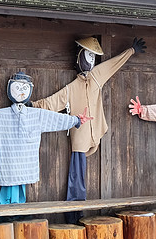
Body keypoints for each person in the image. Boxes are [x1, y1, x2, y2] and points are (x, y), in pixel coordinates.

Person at [33, 35, 145, 202]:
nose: (91, 61)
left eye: (93, 57)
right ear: (79, 57)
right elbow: (51, 103)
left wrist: (131, 51)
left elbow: (111, 65)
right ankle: (75, 210)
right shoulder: (70, 89)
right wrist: (30, 105)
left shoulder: (96, 77)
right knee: (77, 174)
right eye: (88, 56)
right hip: (80, 136)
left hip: (97, 129)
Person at [0, 72, 90, 205]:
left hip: (24, 165)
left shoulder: (36, 115)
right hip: (8, 165)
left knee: (19, 199)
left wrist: (75, 120)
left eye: (24, 88)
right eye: (17, 88)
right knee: (8, 200)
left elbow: (55, 119)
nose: (21, 92)